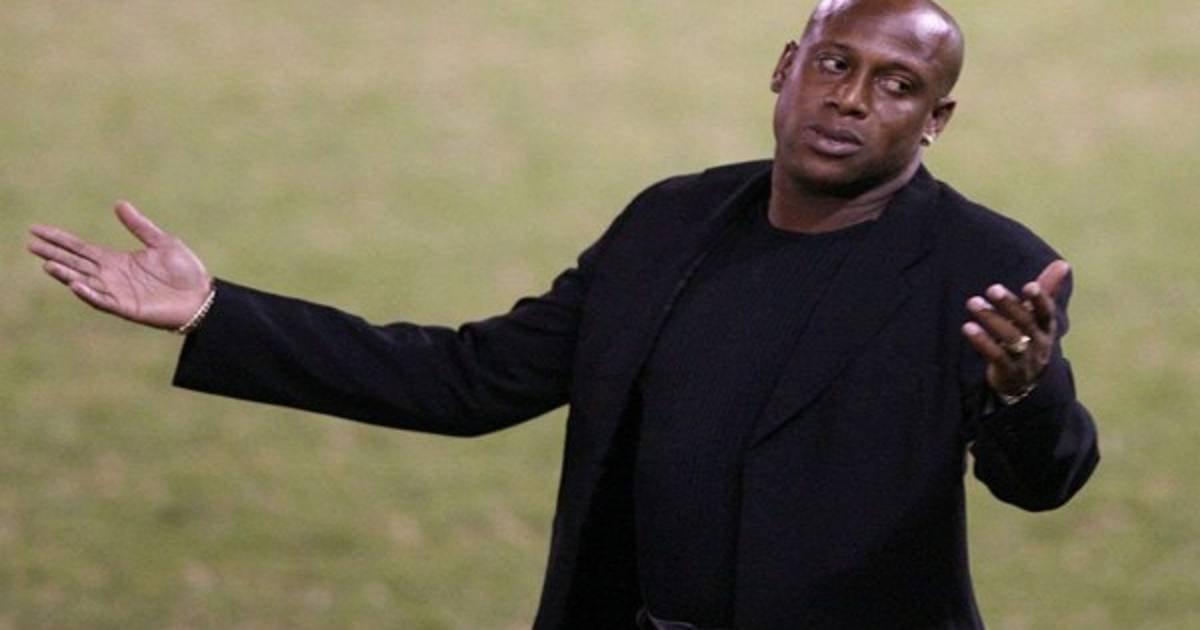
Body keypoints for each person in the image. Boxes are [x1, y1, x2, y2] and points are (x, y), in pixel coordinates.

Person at [28, 0, 1098, 627]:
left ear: (936, 118)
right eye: (833, 63)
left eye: (897, 84)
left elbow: (1045, 483)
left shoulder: (992, 270)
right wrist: (215, 311)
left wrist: (1023, 391)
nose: (852, 97)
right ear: (785, 69)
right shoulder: (671, 222)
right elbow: (467, 382)